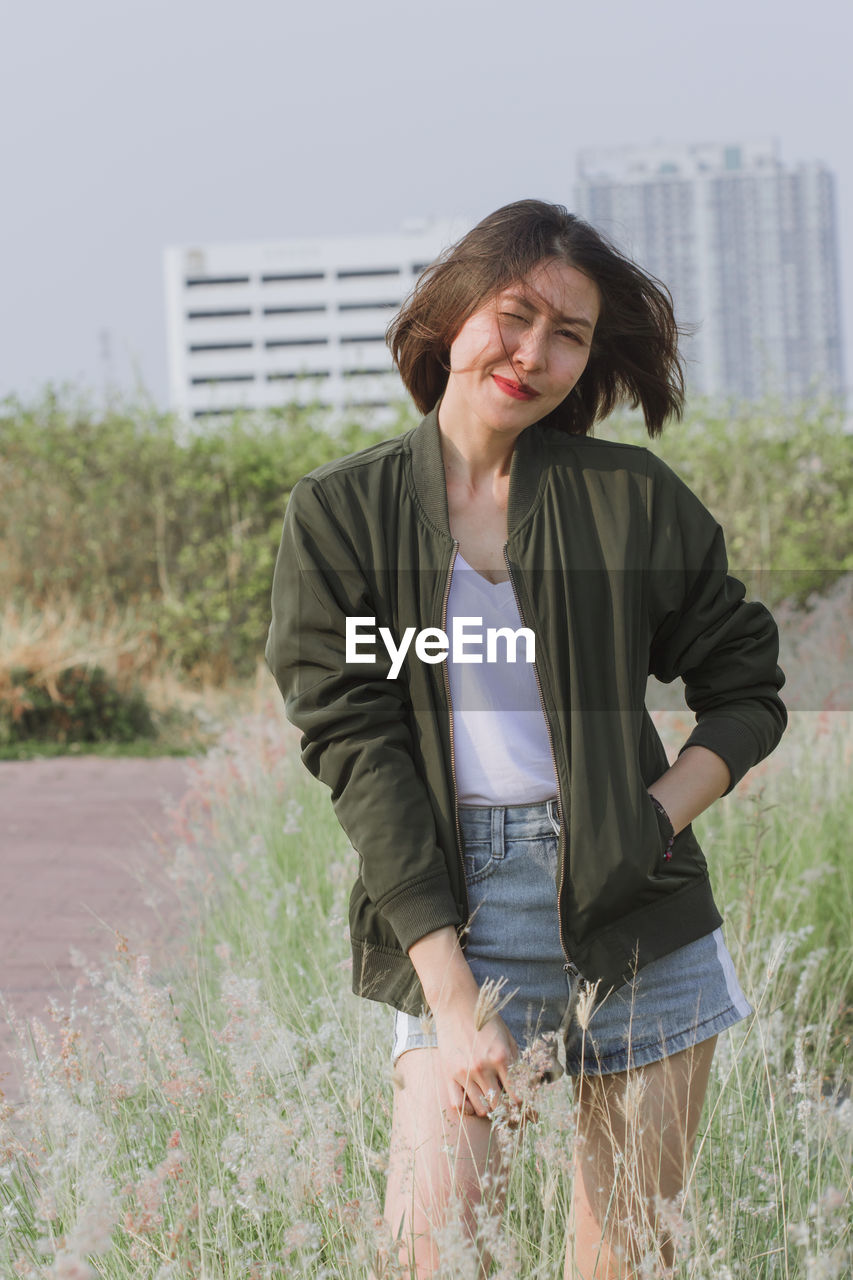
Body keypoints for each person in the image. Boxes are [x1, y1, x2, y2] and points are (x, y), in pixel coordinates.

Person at [264, 199, 787, 1278]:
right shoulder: (342, 514)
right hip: (457, 908)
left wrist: (655, 814)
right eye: (515, 315)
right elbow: (359, 749)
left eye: (570, 335)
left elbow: (745, 686)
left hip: (642, 908)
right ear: (453, 313)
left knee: (627, 1263)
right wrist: (453, 1000)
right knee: (437, 1253)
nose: (534, 353)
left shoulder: (628, 501)